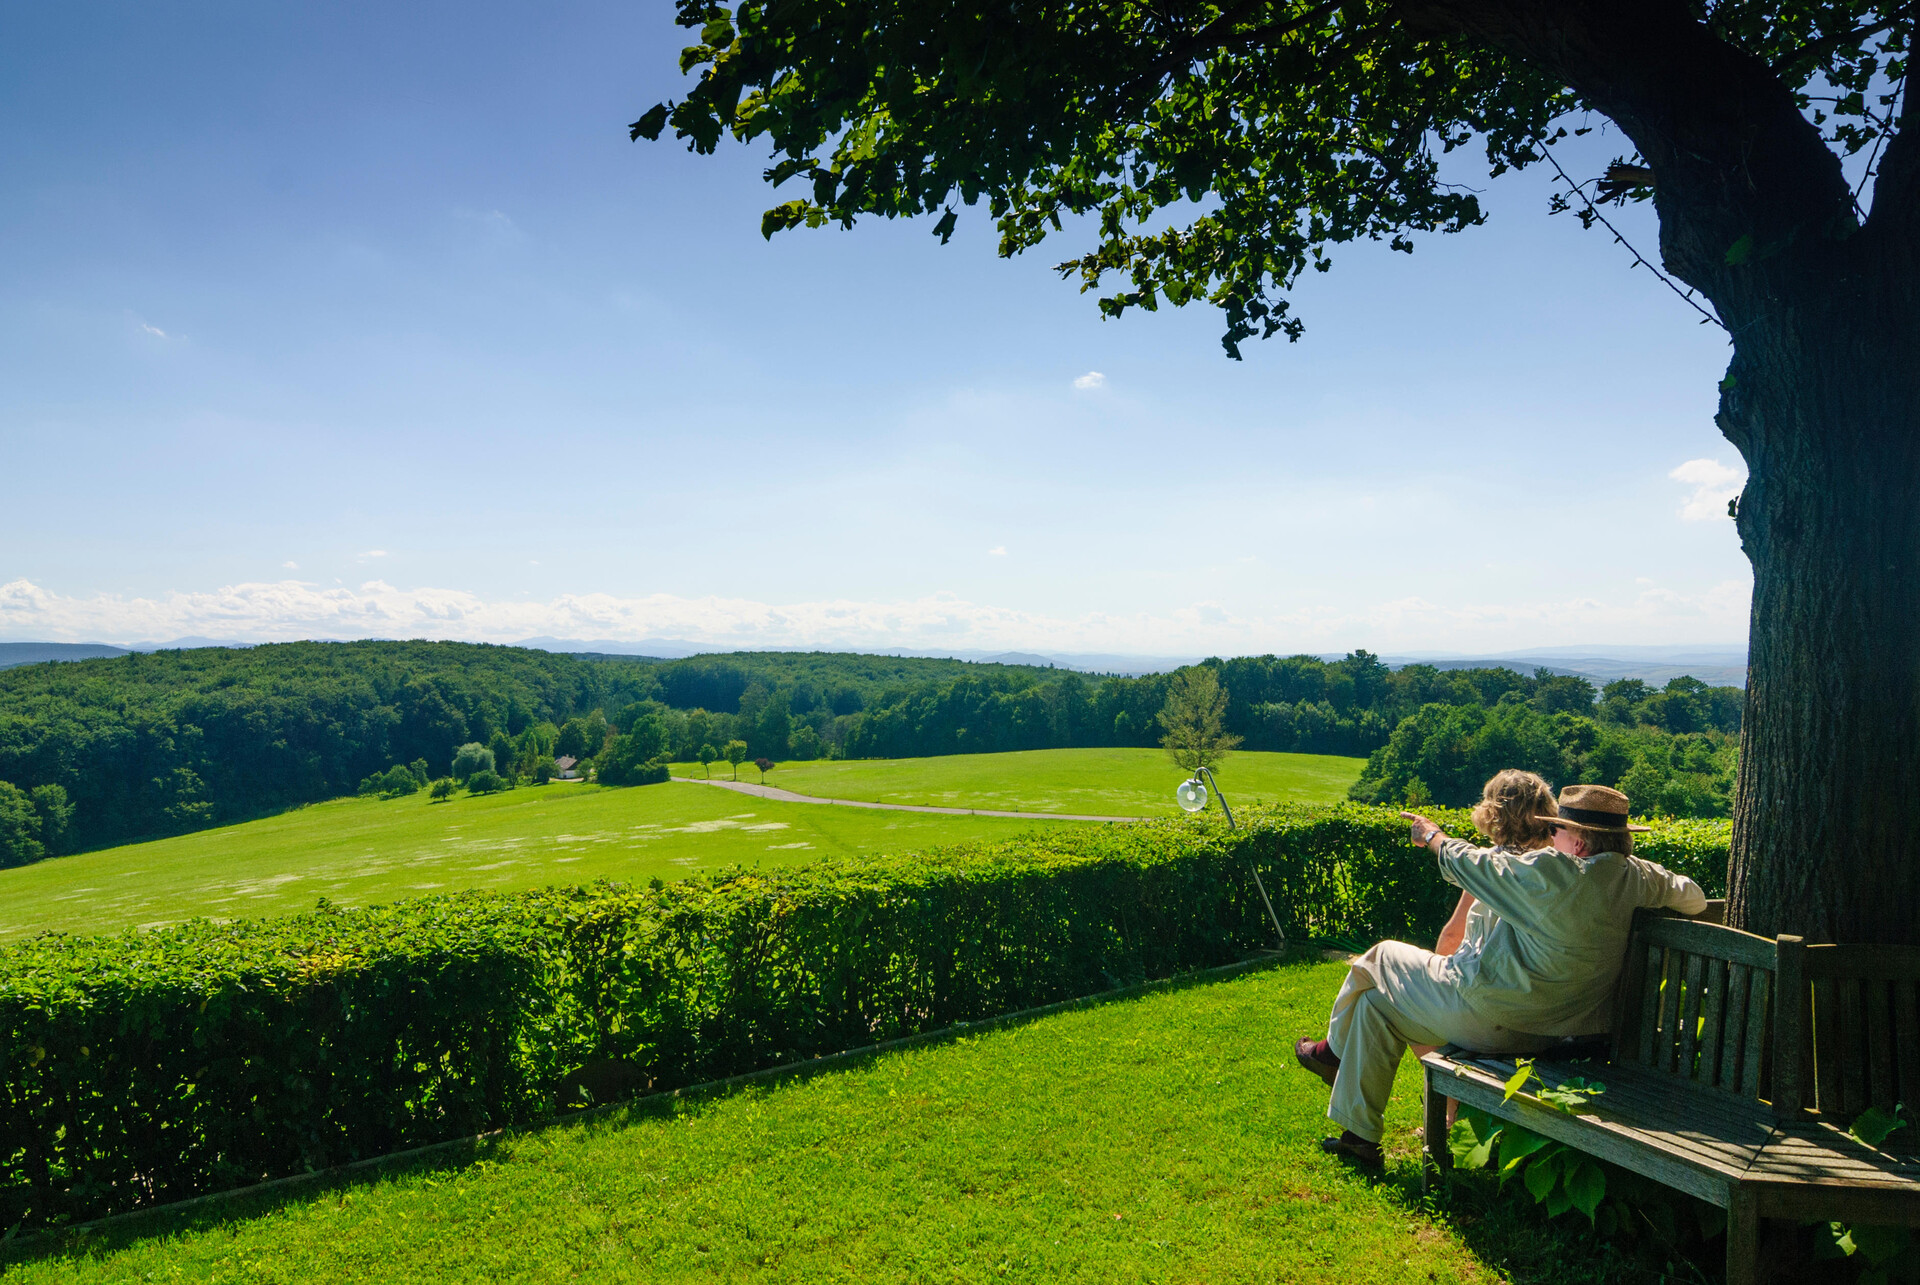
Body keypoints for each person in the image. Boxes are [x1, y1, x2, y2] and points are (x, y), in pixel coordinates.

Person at [1293, 782, 1707, 1169]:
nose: (1551, 838)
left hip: (1492, 1017)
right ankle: (1358, 1138)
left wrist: (1431, 835)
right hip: (1556, 1030)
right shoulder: (1637, 877)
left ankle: (1332, 1053)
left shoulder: (1554, 872)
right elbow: (1695, 897)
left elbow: (1469, 862)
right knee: (1375, 1004)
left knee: (1381, 957)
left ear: (1578, 842)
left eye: (1558, 830)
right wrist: (1637, 871)